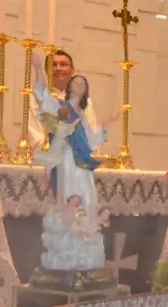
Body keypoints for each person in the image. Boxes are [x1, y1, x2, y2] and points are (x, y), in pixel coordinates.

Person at [33, 50, 118, 218]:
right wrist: (38, 69)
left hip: (82, 164)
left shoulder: (83, 111)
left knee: (86, 203)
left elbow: (91, 139)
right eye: (53, 65)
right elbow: (41, 94)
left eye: (82, 84)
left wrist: (106, 126)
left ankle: (84, 225)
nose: (58, 68)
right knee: (69, 201)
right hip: (66, 161)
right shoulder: (59, 105)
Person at [28, 49, 100, 151]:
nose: (58, 68)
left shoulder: (84, 100)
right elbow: (35, 134)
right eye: (53, 65)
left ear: (72, 70)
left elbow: (92, 134)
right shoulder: (36, 98)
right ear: (46, 70)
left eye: (63, 64)